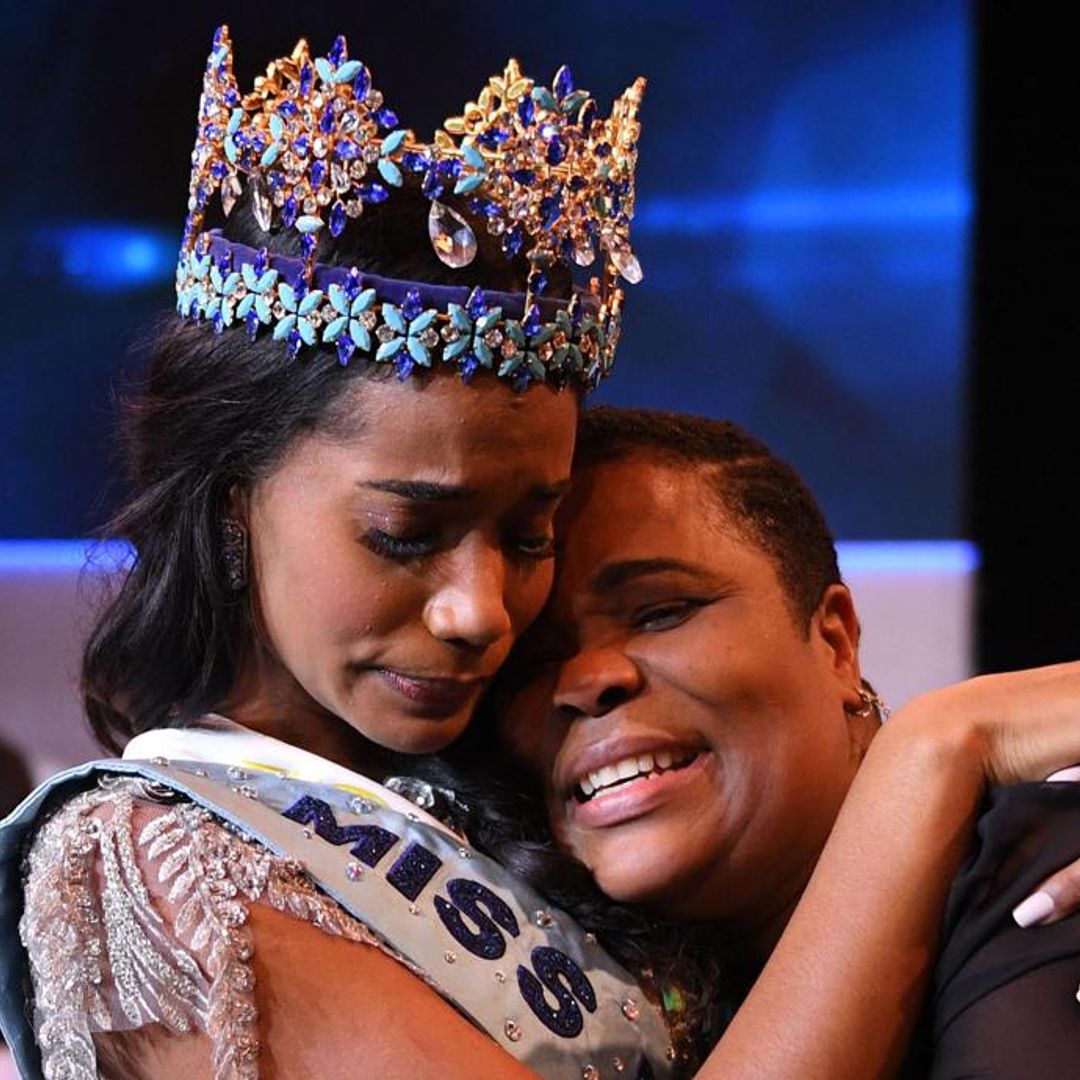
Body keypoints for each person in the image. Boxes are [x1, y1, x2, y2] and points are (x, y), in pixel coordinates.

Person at [2, 26, 1078, 1080]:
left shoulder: (519, 798)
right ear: (231, 506)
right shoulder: (142, 866)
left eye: (528, 537)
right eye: (405, 535)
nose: (483, 610)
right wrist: (940, 744)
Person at [496, 405, 1080, 1078]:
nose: (586, 680)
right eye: (533, 661)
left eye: (661, 612)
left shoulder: (1040, 870)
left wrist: (933, 742)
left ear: (834, 642)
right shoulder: (588, 1003)